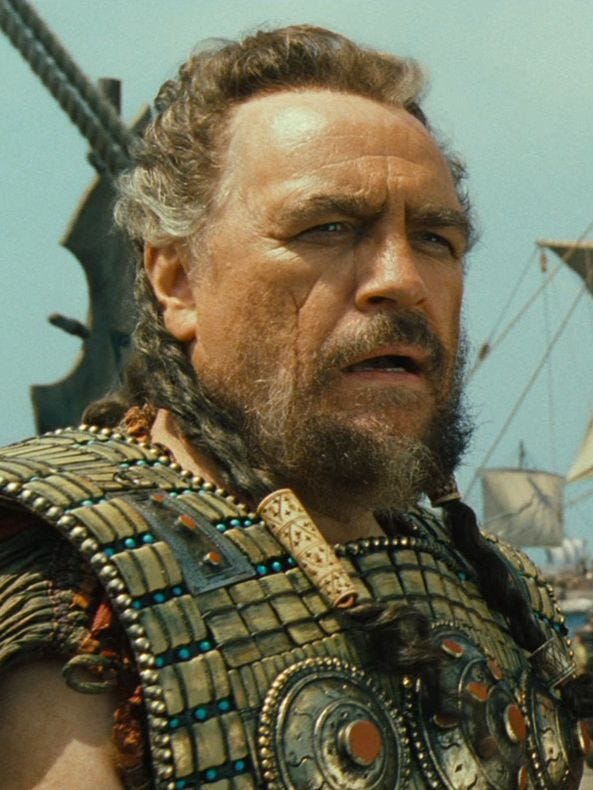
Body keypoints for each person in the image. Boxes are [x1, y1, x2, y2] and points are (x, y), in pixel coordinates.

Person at [0, 25, 591, 789]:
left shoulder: (504, 594)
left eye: (434, 239)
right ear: (177, 280)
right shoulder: (64, 576)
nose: (400, 279)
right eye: (327, 228)